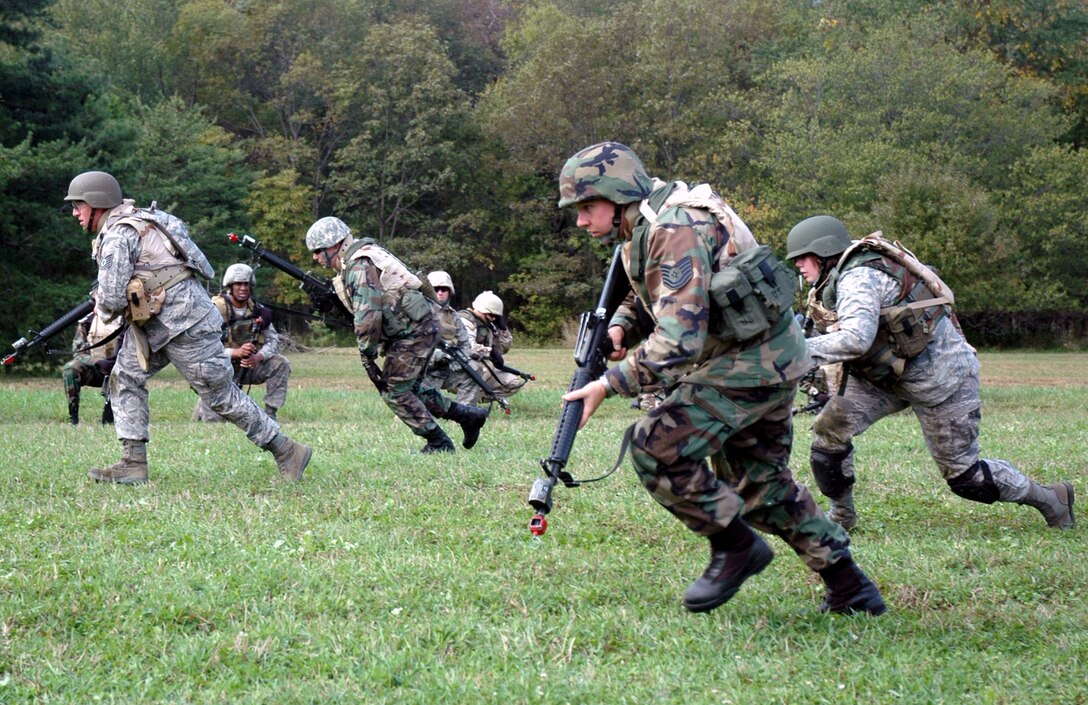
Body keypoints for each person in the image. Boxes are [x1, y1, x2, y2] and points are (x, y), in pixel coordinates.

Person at [557, 141, 886, 615]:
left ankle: (736, 548)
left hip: (749, 363)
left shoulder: (674, 228)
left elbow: (679, 340)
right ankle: (851, 588)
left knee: (657, 445)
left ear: (618, 194)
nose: (581, 221)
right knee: (762, 488)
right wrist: (622, 326)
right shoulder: (649, 223)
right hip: (766, 358)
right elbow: (661, 292)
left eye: (587, 207)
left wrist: (610, 384)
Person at [785, 215, 1075, 531]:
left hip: (941, 379)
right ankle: (842, 517)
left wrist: (788, 352)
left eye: (803, 257)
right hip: (883, 377)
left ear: (824, 252)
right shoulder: (836, 278)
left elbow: (856, 339)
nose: (798, 264)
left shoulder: (860, 276)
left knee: (967, 479)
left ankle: (1052, 498)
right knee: (828, 434)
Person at [64, 170, 311, 484]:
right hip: (160, 323)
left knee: (219, 395)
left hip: (183, 324)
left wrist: (102, 299)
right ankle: (133, 462)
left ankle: (287, 450)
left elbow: (111, 301)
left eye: (78, 205)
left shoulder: (117, 235)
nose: (75, 213)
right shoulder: (147, 218)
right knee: (124, 377)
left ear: (96, 202)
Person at [304, 217, 488, 453]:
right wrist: (332, 306)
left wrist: (366, 353)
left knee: (394, 391)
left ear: (334, 245)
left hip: (416, 331)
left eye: (318, 251)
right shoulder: (360, 258)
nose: (315, 257)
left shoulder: (358, 266)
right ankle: (469, 416)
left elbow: (368, 316)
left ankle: (439, 443)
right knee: (409, 389)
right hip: (419, 327)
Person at [193, 263, 292, 422]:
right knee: (214, 421)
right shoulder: (214, 309)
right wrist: (234, 353)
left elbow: (272, 340)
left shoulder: (258, 311)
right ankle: (205, 408)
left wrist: (258, 357)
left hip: (250, 366)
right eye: (238, 284)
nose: (243, 288)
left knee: (281, 363)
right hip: (221, 369)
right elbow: (202, 345)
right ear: (230, 286)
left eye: (246, 284)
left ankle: (270, 414)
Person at [421, 271, 481, 405]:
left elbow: (465, 343)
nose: (440, 293)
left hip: (446, 369)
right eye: (436, 289)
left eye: (444, 289)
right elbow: (409, 346)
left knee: (473, 371)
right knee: (420, 410)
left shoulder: (453, 316)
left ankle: (465, 411)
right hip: (422, 371)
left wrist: (461, 359)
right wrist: (435, 356)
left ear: (450, 292)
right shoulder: (418, 312)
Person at [458, 291, 527, 406]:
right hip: (459, 368)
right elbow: (468, 347)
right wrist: (490, 352)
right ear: (481, 310)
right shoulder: (465, 320)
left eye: (497, 317)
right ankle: (465, 401)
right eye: (491, 315)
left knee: (512, 383)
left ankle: (475, 398)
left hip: (480, 369)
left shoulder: (489, 326)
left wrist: (503, 329)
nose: (494, 319)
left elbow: (503, 349)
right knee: (487, 366)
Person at [63, 307, 122, 425]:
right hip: (96, 368)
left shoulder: (127, 317)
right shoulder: (88, 321)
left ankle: (112, 416)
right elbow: (78, 352)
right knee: (71, 368)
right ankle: (73, 416)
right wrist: (97, 362)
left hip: (122, 368)